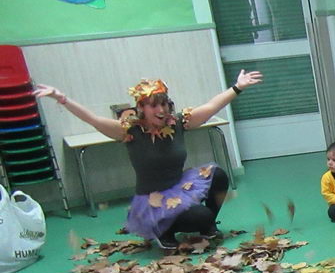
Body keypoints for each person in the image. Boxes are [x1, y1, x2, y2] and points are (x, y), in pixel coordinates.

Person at [33, 71, 262, 250]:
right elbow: (92, 119)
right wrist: (61, 99)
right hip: (153, 199)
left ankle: (207, 226)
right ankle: (164, 230)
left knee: (217, 174)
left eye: (164, 104)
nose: (161, 110)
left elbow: (212, 107)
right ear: (141, 108)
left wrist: (237, 87)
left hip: (179, 187)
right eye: (154, 105)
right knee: (200, 216)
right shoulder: (130, 131)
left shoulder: (178, 123)